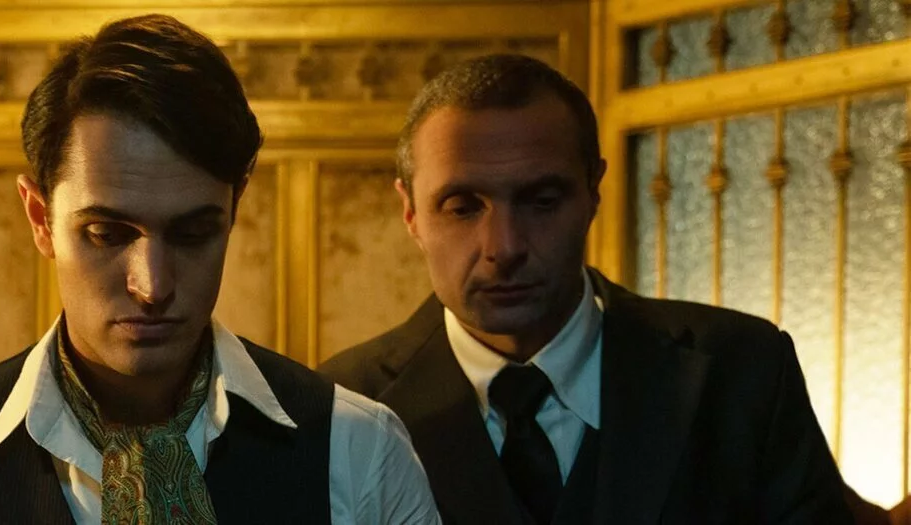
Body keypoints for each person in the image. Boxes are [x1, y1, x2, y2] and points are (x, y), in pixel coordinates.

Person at [0, 14, 441, 525]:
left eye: (192, 234)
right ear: (40, 218)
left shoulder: (359, 453)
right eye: (107, 235)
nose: (153, 286)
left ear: (234, 209)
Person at [318, 54, 853, 524]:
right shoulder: (341, 407)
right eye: (462, 208)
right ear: (410, 213)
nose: (504, 246)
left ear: (593, 192)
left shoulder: (743, 373)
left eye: (542, 201)